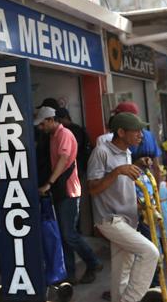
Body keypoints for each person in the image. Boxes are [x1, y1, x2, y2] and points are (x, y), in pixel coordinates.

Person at [87, 112, 159, 302]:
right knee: (150, 252)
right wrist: (118, 171)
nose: (141, 135)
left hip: (128, 218)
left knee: (122, 272)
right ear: (120, 132)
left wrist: (135, 166)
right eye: (136, 131)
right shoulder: (101, 151)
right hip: (110, 219)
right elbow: (93, 189)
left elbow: (120, 182)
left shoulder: (127, 152)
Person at [34, 106, 102, 284]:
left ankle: (93, 261)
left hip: (69, 190)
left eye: (42, 124)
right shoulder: (52, 136)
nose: (41, 128)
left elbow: (63, 160)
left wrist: (48, 183)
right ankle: (69, 274)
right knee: (64, 236)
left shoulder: (64, 135)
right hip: (61, 190)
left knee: (68, 233)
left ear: (50, 120)